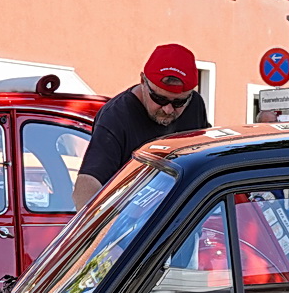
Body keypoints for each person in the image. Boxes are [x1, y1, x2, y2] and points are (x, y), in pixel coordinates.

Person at [73, 44, 209, 208]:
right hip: (132, 222)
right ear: (143, 81)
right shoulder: (116, 116)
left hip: (180, 217)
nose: (168, 109)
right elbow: (87, 183)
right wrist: (100, 230)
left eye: (179, 102)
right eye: (159, 99)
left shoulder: (195, 105)